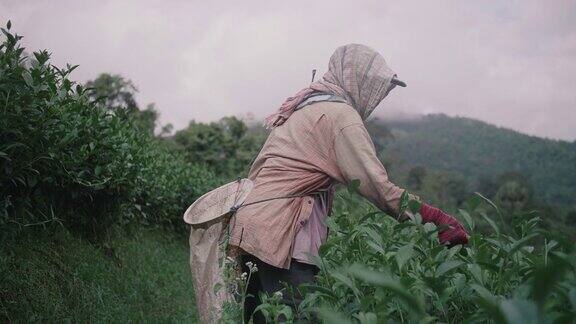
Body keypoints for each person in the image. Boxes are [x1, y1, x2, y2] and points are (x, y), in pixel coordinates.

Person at [229, 44, 469, 323]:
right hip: (284, 232)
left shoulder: (306, 105)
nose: (377, 98)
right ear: (359, 82)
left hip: (254, 224)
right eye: (376, 88)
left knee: (261, 316)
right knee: (297, 314)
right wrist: (436, 220)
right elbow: (377, 186)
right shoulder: (340, 116)